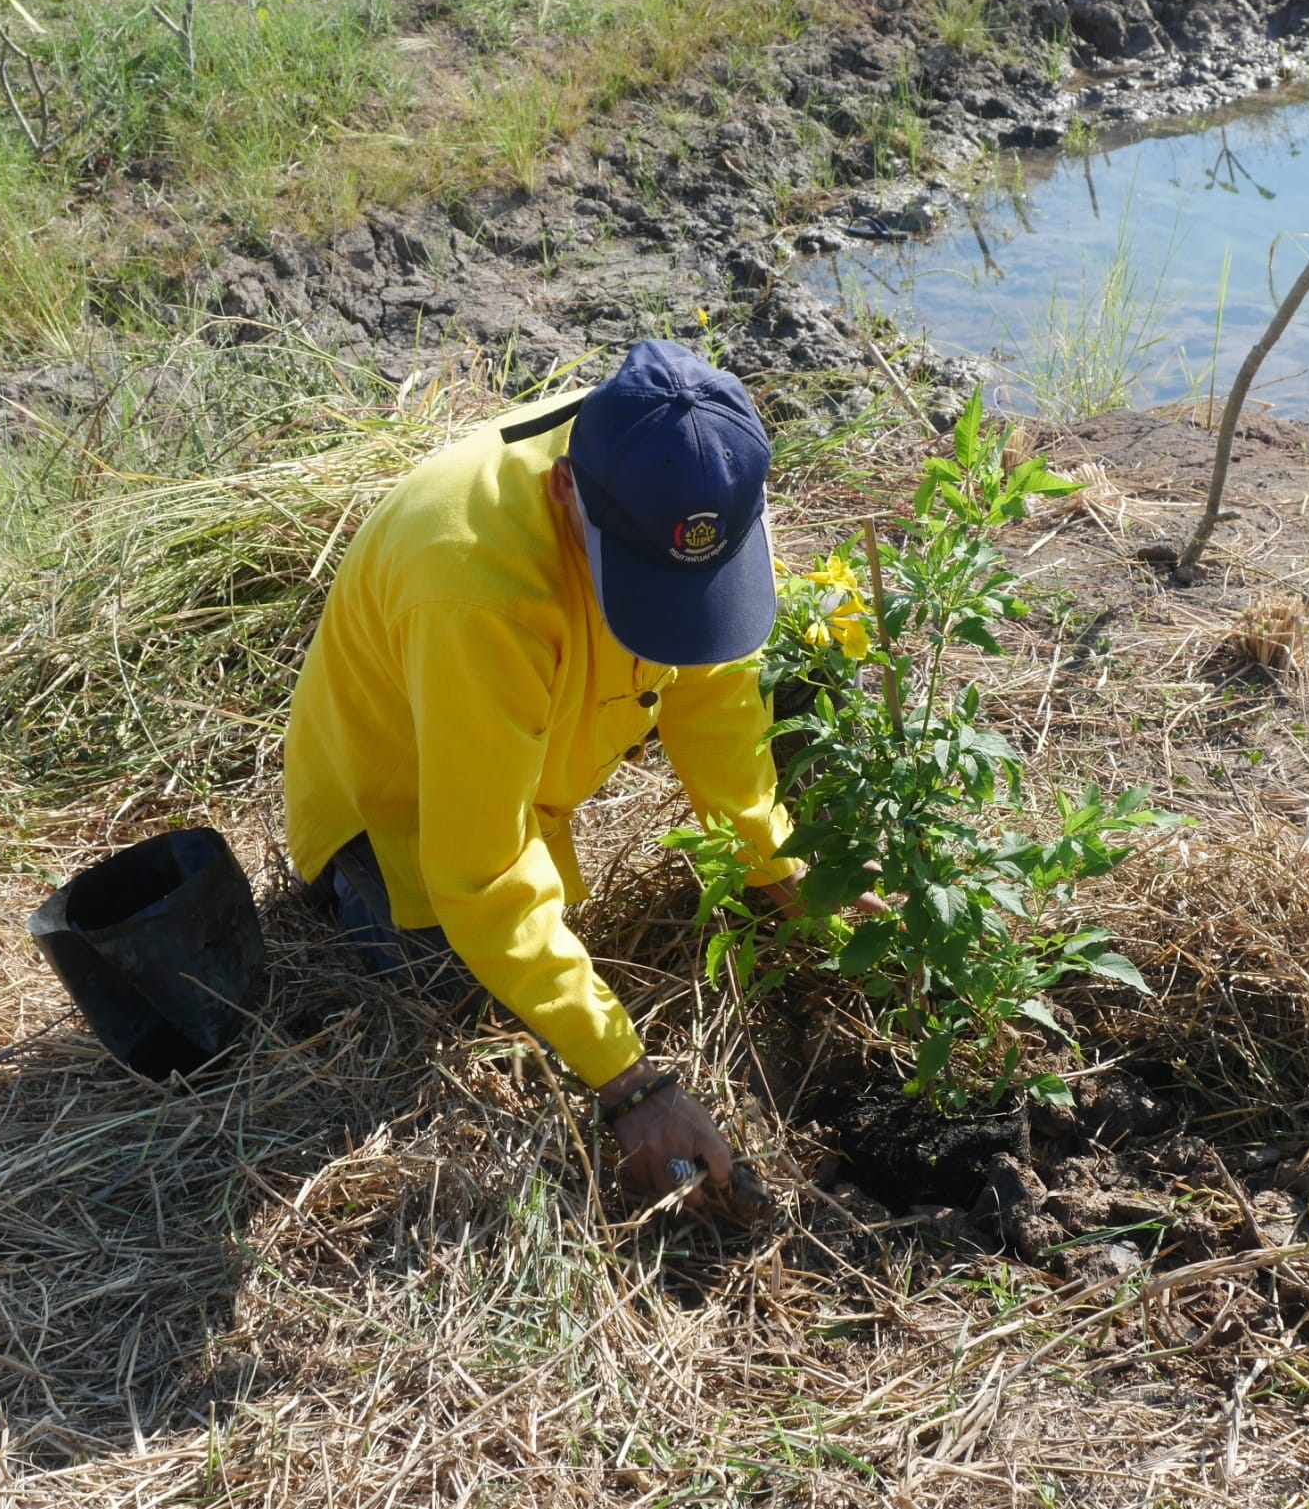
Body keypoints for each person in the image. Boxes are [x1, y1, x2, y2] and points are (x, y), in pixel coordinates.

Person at [284, 341, 881, 1207]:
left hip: (524, 776)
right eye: (642, 590)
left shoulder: (690, 471)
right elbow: (481, 870)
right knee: (478, 1027)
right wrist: (631, 1084)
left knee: (540, 985)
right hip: (401, 811)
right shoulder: (475, 591)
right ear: (566, 490)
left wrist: (776, 861)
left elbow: (712, 689)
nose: (668, 622)